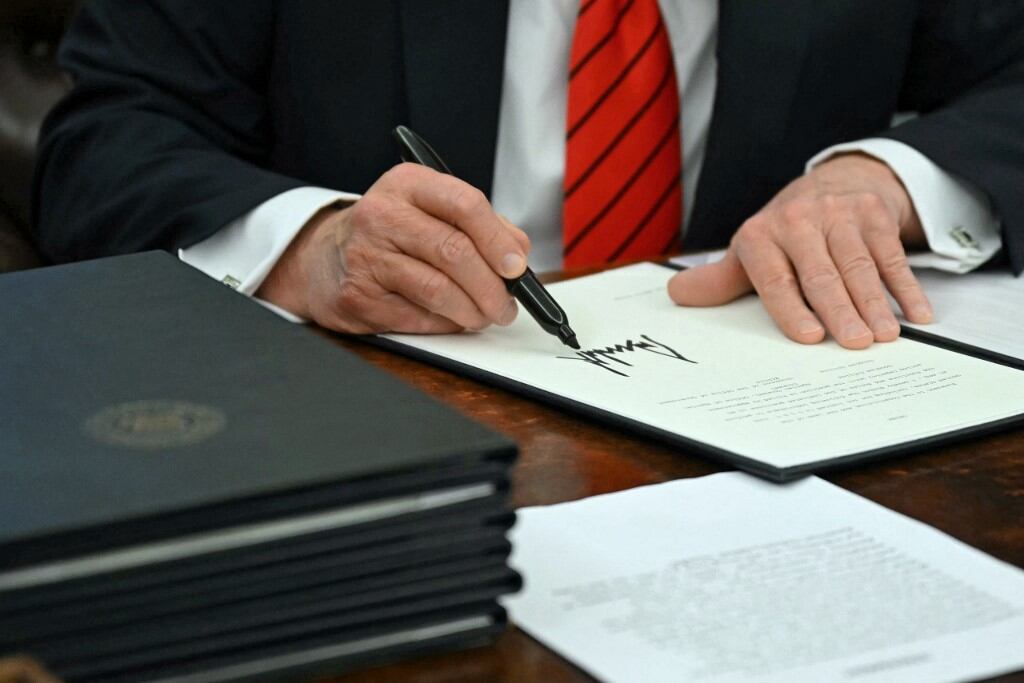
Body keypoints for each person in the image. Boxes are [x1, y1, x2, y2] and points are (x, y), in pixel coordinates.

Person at [33, 2, 1024, 349]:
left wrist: (890, 179)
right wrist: (310, 246)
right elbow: (107, 134)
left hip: (775, 406)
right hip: (376, 426)